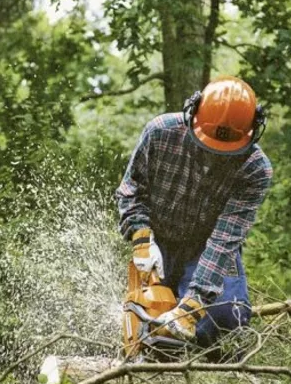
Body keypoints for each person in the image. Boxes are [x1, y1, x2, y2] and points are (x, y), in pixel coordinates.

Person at [115, 76, 273, 348]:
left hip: (206, 248)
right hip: (158, 240)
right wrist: (142, 239)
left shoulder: (255, 169)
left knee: (227, 318)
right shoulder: (160, 133)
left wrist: (192, 307)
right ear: (192, 114)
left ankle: (209, 372)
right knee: (148, 316)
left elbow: (224, 242)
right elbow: (131, 191)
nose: (214, 156)